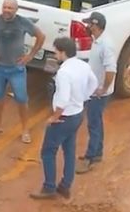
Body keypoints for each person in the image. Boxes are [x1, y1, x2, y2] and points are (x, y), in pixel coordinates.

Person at [32, 36, 97, 201]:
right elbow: (94, 83)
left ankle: (49, 188)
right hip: (77, 114)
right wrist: (83, 98)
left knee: (48, 152)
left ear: (63, 52)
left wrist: (54, 117)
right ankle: (65, 186)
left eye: (56, 51)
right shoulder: (83, 65)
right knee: (69, 151)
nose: (55, 54)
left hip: (64, 117)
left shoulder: (64, 72)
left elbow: (63, 98)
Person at [0, 0, 45, 144]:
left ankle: (25, 129)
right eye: (5, 7)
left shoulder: (23, 22)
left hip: (16, 69)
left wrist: (30, 55)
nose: (7, 10)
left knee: (21, 99)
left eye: (10, 8)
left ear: (16, 10)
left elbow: (40, 36)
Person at [79, 11, 118, 174]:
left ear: (95, 25)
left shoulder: (105, 45)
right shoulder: (97, 42)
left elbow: (111, 69)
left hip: (99, 93)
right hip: (95, 90)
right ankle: (97, 153)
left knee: (93, 124)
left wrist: (103, 88)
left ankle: (90, 157)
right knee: (97, 122)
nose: (87, 27)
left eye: (89, 24)